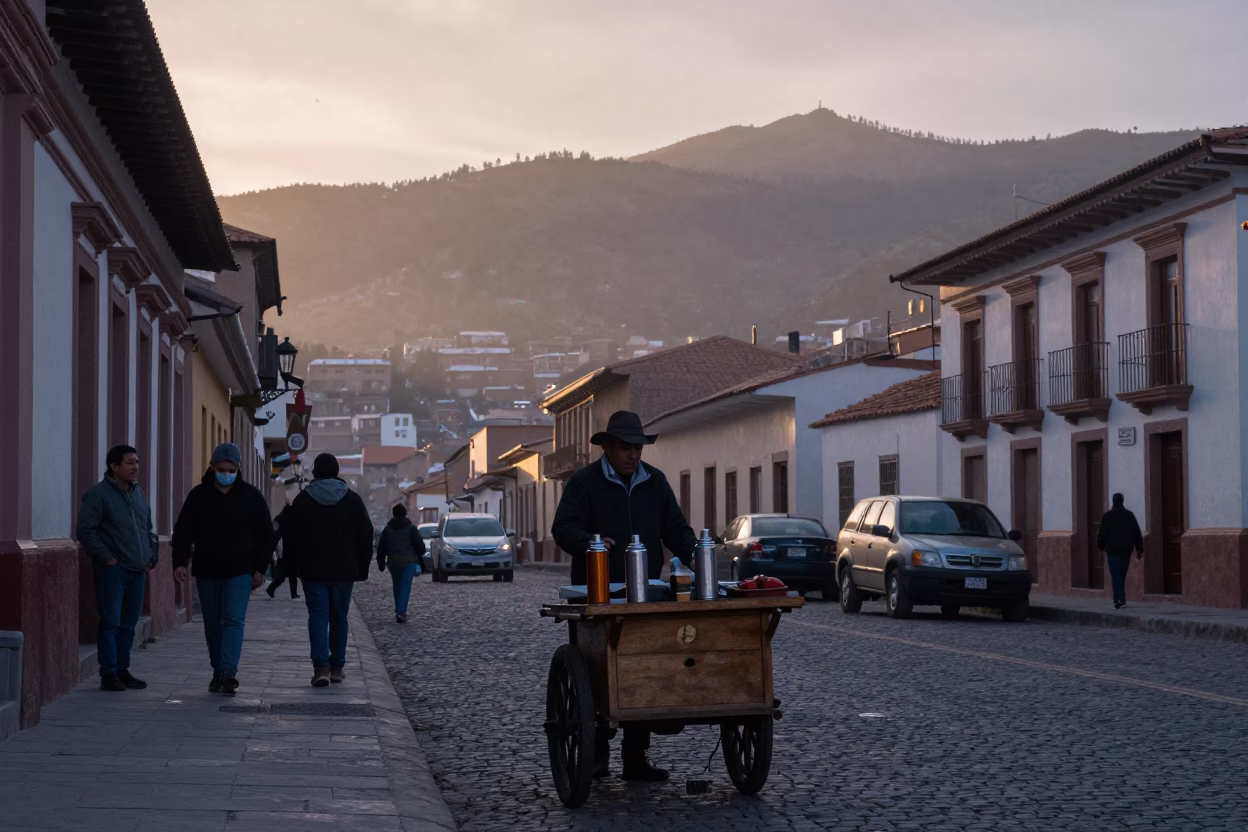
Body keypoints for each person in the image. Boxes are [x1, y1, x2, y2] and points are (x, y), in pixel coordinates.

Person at [551, 410, 698, 782]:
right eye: (626, 448)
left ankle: (635, 757)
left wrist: (697, 554)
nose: (633, 455)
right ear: (608, 448)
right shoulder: (584, 483)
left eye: (638, 449)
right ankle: (597, 754)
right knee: (596, 671)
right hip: (595, 594)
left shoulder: (656, 483)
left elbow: (675, 529)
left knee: (642, 670)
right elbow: (563, 527)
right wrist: (590, 542)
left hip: (643, 595)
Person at [172, 443, 276, 695]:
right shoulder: (198, 496)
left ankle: (229, 672)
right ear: (213, 467)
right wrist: (179, 562)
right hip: (207, 570)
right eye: (222, 468)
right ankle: (217, 669)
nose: (226, 473)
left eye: (231, 469)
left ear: (238, 469)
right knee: (212, 625)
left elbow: (265, 535)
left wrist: (260, 568)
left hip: (241, 570)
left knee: (233, 620)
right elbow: (184, 531)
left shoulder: (251, 496)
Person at [283, 453, 373, 687]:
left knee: (318, 617)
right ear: (337, 472)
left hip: (313, 571)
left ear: (314, 473)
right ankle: (337, 667)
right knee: (339, 617)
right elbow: (366, 535)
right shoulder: (352, 500)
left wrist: (291, 566)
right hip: (344, 571)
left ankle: (320, 667)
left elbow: (291, 538)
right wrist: (361, 567)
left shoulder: (303, 501)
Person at [77, 445, 158, 692]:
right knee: (110, 622)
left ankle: (122, 669)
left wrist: (150, 557)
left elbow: (148, 528)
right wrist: (107, 558)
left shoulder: (139, 494)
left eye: (136, 462)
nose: (135, 467)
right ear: (114, 466)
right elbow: (85, 530)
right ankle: (109, 673)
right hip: (113, 571)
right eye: (129, 463)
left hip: (138, 571)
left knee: (127, 625)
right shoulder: (99, 494)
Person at [376, 504, 426, 623]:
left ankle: (399, 608)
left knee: (397, 585)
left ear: (394, 514)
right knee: (405, 586)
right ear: (405, 514)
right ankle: (401, 611)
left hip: (393, 561)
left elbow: (381, 548)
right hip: (408, 561)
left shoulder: (387, 529)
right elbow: (420, 547)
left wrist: (381, 563)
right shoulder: (411, 528)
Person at [1097, 492, 1144, 609]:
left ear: (1113, 502)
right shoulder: (1129, 515)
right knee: (1121, 575)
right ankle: (1120, 599)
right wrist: (1139, 549)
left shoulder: (1107, 516)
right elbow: (1137, 533)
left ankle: (1118, 599)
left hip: (1112, 551)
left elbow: (1101, 535)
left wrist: (1101, 547)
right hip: (1125, 551)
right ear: (1122, 501)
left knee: (1115, 575)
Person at [266, 504, 300, 599]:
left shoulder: (281, 518)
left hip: (286, 550)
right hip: (292, 550)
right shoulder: (292, 520)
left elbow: (276, 535)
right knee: (291, 573)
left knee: (284, 574)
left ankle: (271, 589)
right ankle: (293, 594)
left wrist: (272, 549)